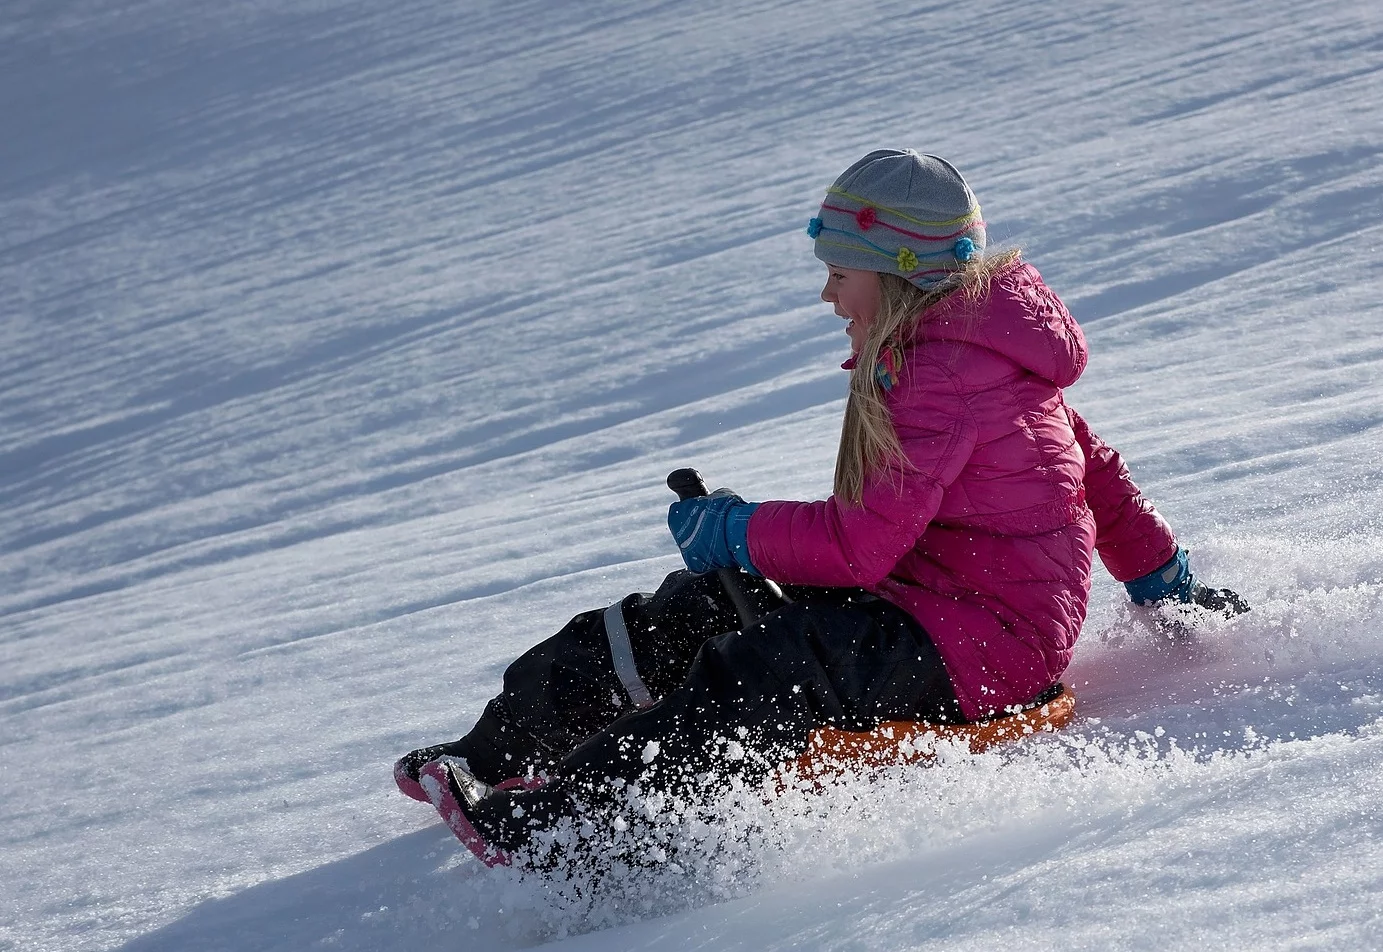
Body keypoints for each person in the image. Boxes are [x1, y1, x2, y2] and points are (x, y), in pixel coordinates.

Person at [397, 150, 1247, 867]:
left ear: (900, 277)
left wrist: (735, 529)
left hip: (980, 648)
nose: (828, 298)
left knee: (770, 662)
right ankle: (492, 756)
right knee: (696, 608)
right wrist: (1162, 580)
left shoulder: (944, 377)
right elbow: (1101, 480)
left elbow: (856, 548)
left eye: (840, 276)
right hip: (927, 606)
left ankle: (569, 831)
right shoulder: (977, 356)